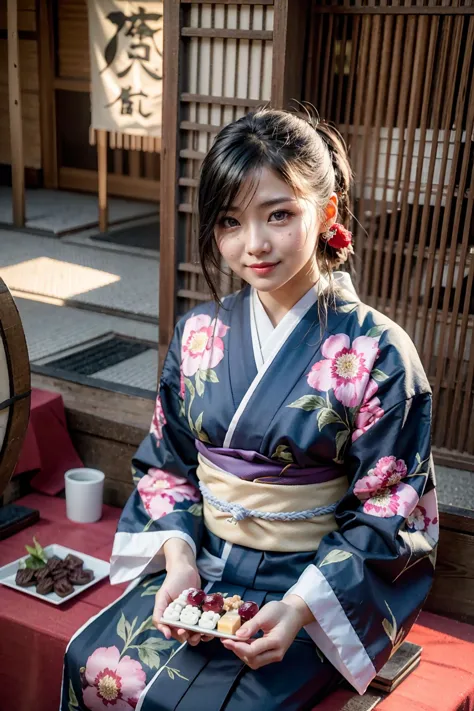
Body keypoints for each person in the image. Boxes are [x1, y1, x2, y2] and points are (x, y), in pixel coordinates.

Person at [61, 108, 438, 711]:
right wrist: (180, 561)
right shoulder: (198, 333)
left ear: (327, 214)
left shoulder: (378, 353)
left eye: (279, 215)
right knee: (94, 668)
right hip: (201, 562)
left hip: (310, 585)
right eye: (230, 222)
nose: (253, 245)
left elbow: (390, 510)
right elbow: (168, 467)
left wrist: (299, 608)